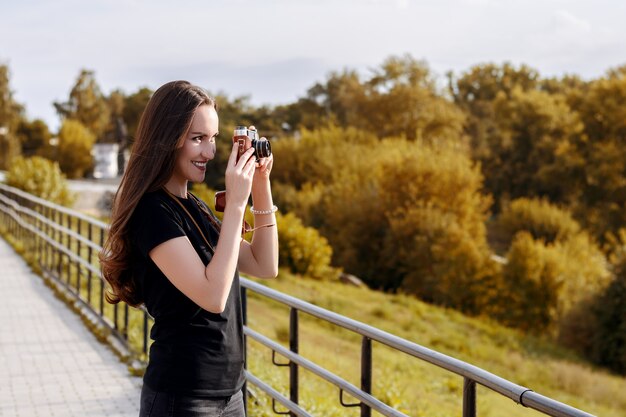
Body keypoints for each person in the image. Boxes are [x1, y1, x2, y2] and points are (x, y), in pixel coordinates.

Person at [99, 80, 279, 417]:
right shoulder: (151, 212)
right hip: (182, 397)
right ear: (167, 140)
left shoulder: (195, 206)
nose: (209, 153)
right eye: (198, 139)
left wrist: (260, 185)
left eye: (212, 139)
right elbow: (212, 296)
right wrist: (236, 204)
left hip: (231, 393)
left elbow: (264, 263)